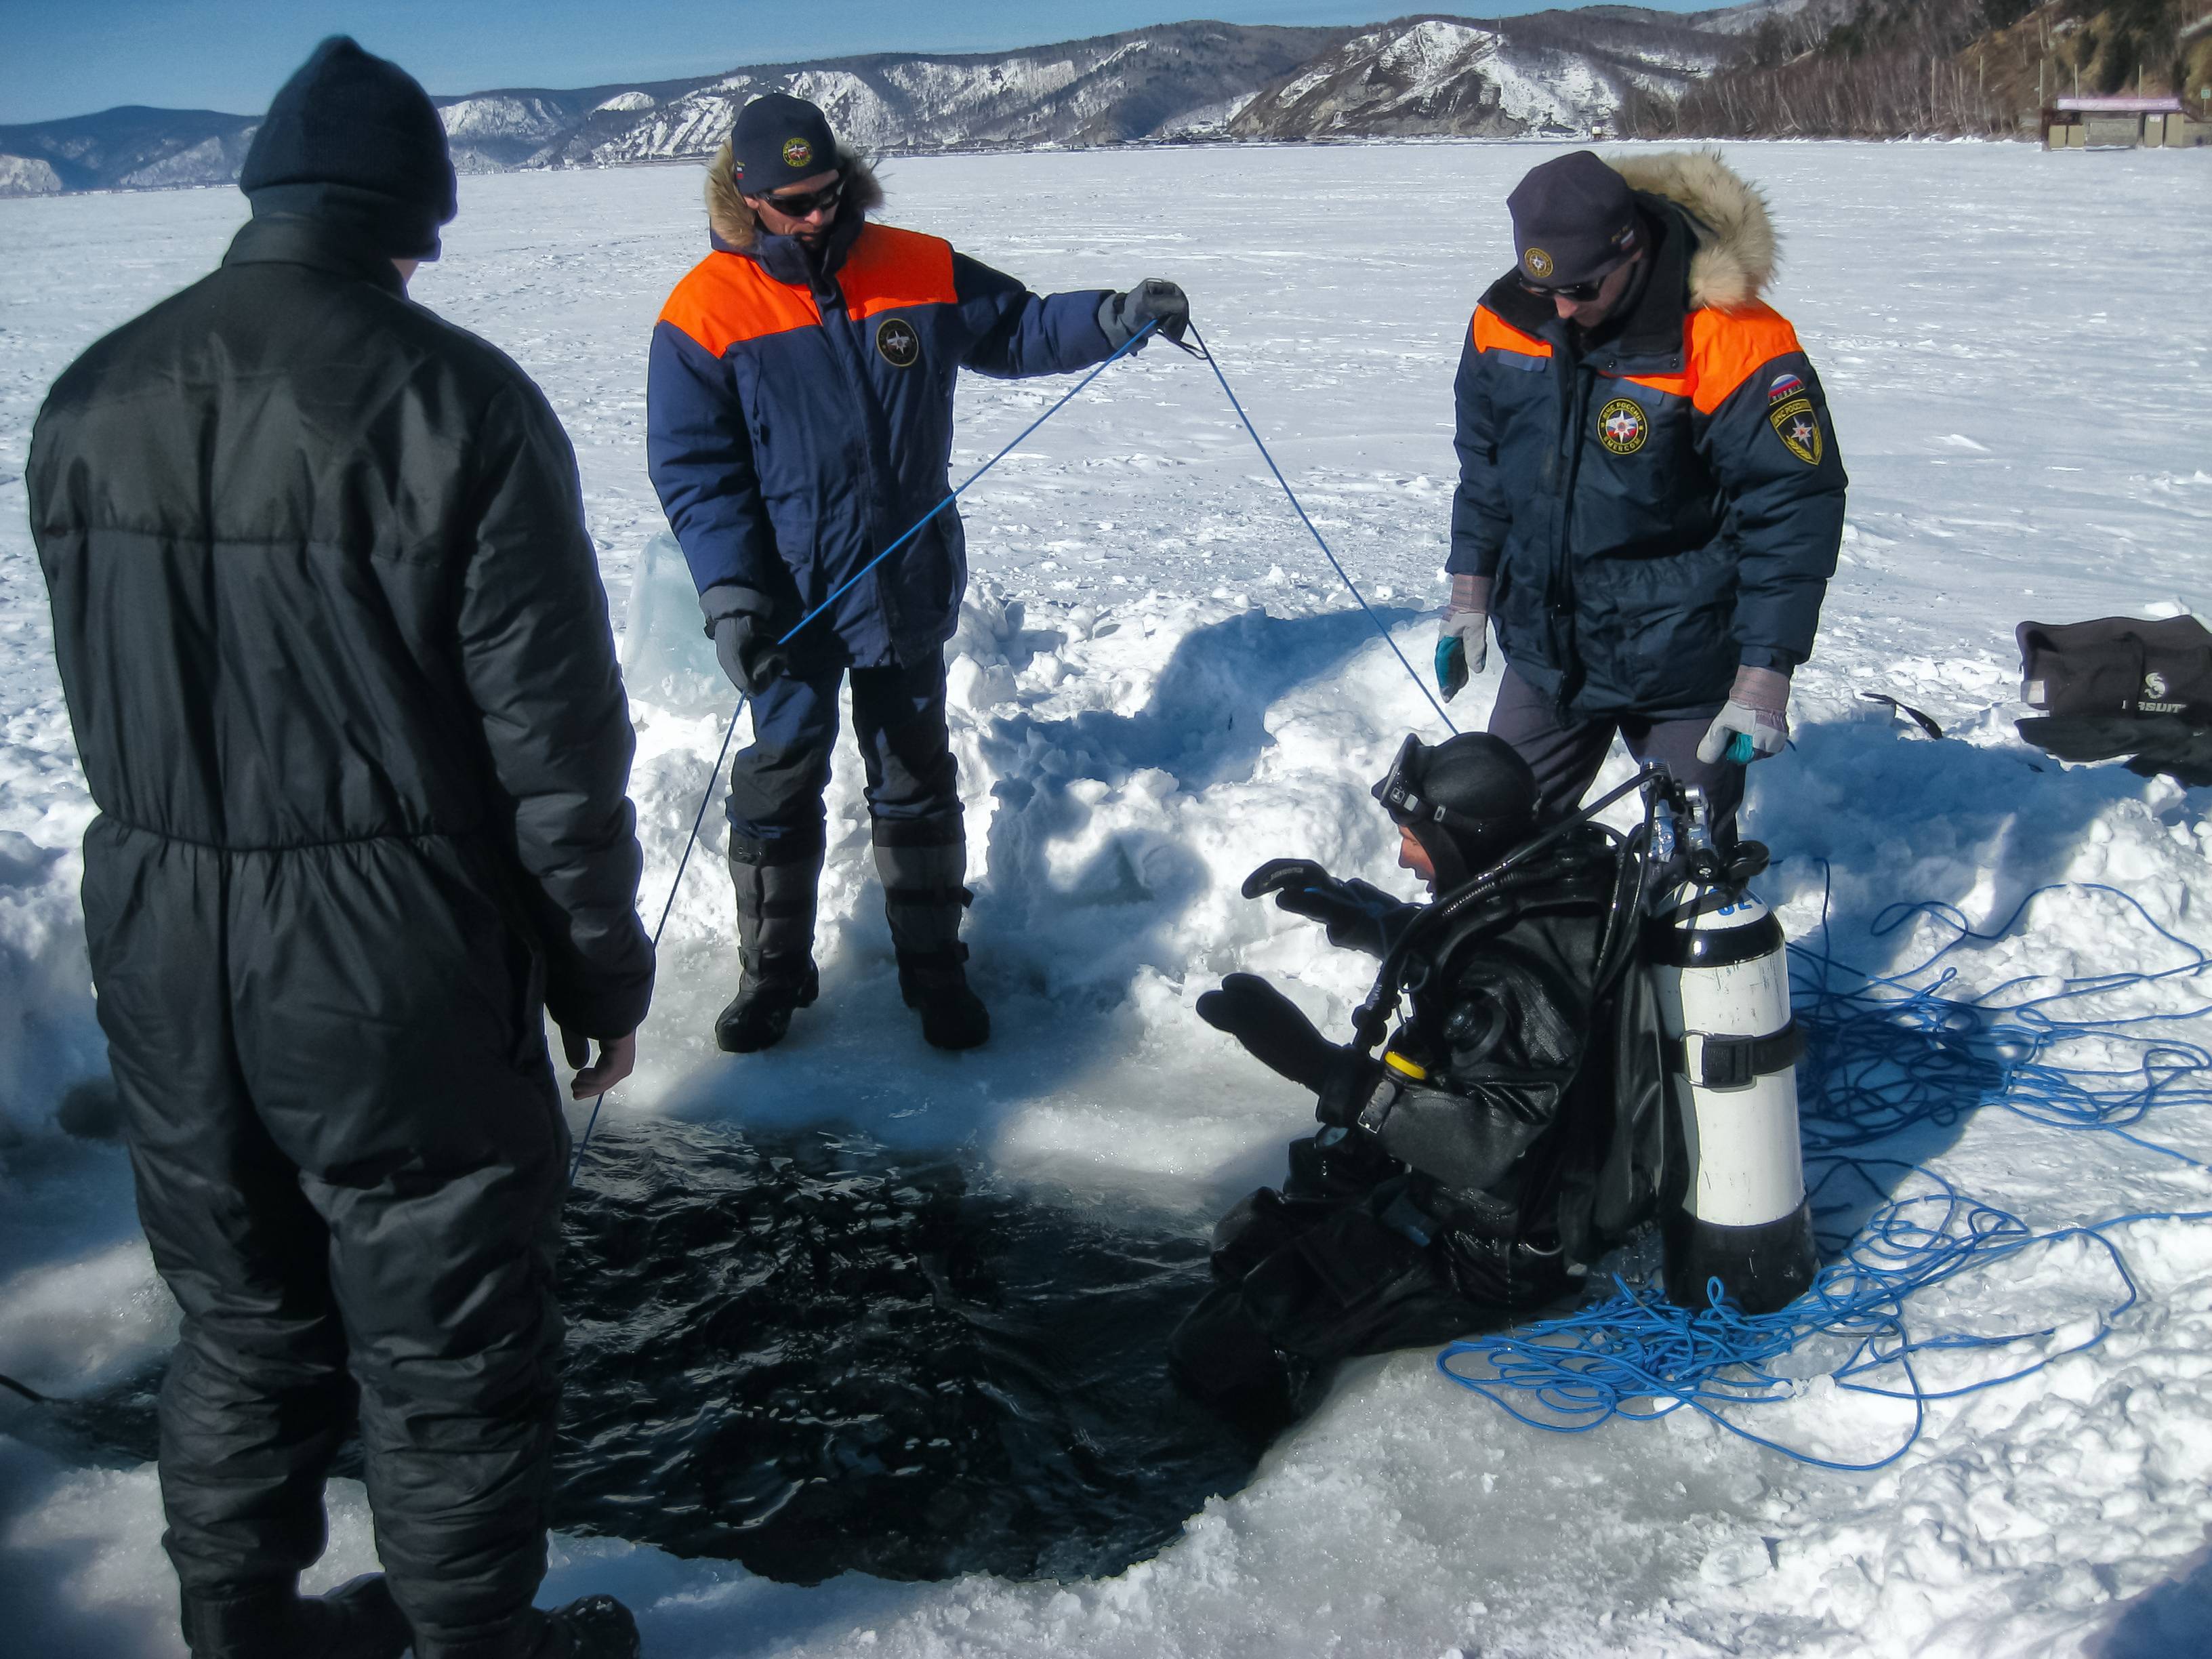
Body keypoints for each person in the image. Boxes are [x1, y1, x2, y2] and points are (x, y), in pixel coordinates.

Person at [28, 39, 652, 1659]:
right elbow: (558, 750)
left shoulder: (88, 393)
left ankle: (238, 1624)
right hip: (387, 947)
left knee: (238, 1308)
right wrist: (597, 965)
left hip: (160, 925)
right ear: (418, 215)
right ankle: (472, 1641)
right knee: (445, 1331)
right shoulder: (462, 404)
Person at [647, 93, 1191, 1055]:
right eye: (794, 203)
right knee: (784, 772)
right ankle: (772, 977)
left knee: (914, 773)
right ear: (747, 195)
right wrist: (731, 594)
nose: (819, 216)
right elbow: (696, 470)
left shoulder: (916, 265)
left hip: (903, 581)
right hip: (788, 597)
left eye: (829, 194)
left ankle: (935, 971)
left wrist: (1113, 318)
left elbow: (1016, 328)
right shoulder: (703, 313)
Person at [1170, 732, 1665, 1416]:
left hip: (1495, 1248)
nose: (1404, 854)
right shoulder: (1548, 876)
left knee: (1214, 1353)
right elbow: (1466, 936)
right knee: (1254, 1235)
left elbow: (1482, 1146)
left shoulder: (1518, 983)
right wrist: (1350, 908)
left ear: (1464, 838)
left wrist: (1321, 1068)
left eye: (1414, 836)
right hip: (1499, 1186)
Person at [1437, 149, 1847, 844]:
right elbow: (1486, 467)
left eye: (1584, 288)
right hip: (1550, 652)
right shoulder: (1505, 318)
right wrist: (1471, 589)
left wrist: (1764, 673)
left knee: (1686, 869)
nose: (1565, 309)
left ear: (1631, 248)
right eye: (1549, 289)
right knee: (1496, 842)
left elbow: (1792, 509)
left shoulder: (1733, 341)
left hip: (1683, 658)